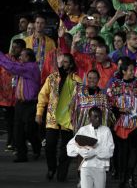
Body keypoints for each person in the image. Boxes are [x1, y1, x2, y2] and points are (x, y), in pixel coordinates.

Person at [37, 53, 82, 181]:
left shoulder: (77, 80)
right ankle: (51, 168)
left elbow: (80, 100)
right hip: (52, 119)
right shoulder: (51, 78)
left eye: (66, 62)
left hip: (68, 120)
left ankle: (62, 172)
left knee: (66, 148)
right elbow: (42, 96)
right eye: (61, 62)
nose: (63, 64)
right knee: (50, 145)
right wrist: (39, 113)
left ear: (71, 64)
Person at [106, 58, 137, 188]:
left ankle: (130, 176)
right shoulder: (115, 85)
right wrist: (119, 109)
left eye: (133, 69)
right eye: (130, 70)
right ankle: (122, 177)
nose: (132, 72)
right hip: (120, 123)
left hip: (136, 123)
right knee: (122, 152)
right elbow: (109, 102)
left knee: (134, 151)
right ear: (124, 71)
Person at [0, 47, 42, 162]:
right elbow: (12, 65)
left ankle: (36, 146)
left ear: (28, 57)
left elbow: (12, 66)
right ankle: (21, 155)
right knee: (18, 130)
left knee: (29, 130)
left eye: (22, 55)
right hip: (19, 103)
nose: (20, 57)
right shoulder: (24, 67)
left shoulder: (31, 67)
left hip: (30, 104)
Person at [67, 106, 115, 188]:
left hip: (100, 167)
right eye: (95, 117)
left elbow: (110, 150)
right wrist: (79, 150)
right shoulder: (83, 130)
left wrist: (95, 152)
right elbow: (69, 147)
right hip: (86, 167)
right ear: (89, 118)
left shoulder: (106, 130)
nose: (98, 119)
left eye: (99, 117)